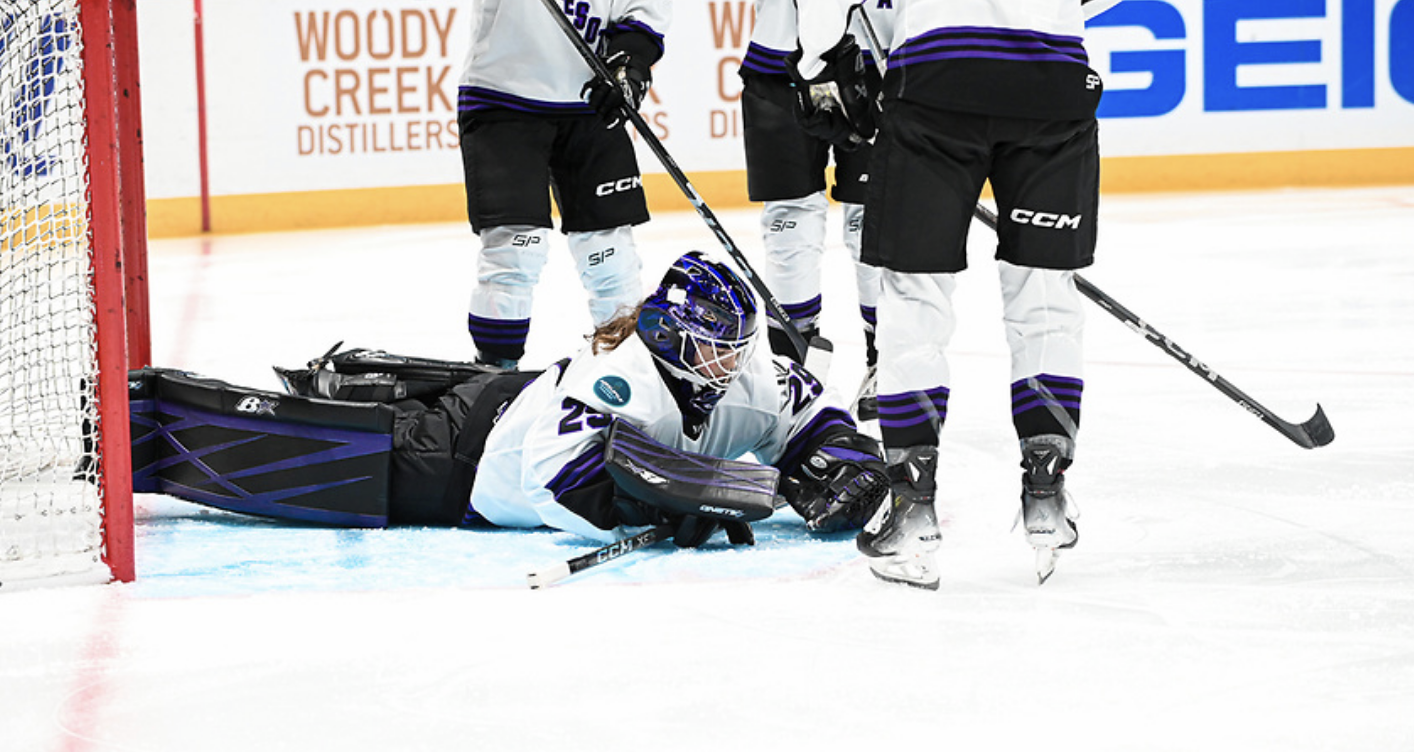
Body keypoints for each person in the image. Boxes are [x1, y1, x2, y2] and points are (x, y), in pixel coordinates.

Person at [130, 254, 890, 551]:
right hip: (464, 462)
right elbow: (552, 483)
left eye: (736, 347)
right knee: (323, 451)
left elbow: (814, 418)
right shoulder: (622, 371)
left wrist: (846, 467)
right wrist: (672, 503)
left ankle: (363, 372)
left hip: (513, 398)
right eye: (713, 347)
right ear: (670, 336)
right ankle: (136, 424)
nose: (729, 364)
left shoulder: (745, 368)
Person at [787, 0, 1122, 587]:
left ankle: (912, 506)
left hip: (938, 84)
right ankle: (1045, 494)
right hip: (1053, 85)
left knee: (915, 299)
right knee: (1044, 296)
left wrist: (821, 61)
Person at [455, 0, 670, 369]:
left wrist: (629, 65)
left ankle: (626, 373)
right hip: (504, 97)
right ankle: (491, 379)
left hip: (591, 100)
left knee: (611, 258)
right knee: (515, 250)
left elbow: (643, 11)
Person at [736, 0, 893, 421]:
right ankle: (791, 362)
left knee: (872, 221)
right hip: (779, 63)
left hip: (876, 61)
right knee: (789, 224)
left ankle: (889, 359)